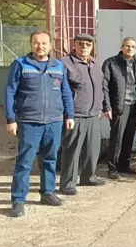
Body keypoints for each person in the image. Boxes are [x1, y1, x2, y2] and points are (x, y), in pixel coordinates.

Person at [4, 30, 75, 217]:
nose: (40, 46)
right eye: (36, 43)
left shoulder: (58, 66)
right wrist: (11, 119)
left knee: (50, 159)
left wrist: (70, 115)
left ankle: (47, 192)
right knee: (24, 162)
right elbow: (10, 92)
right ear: (31, 44)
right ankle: (18, 200)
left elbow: (65, 92)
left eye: (44, 43)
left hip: (54, 121)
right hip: (29, 122)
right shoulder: (20, 65)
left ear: (50, 45)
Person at [59, 33, 106, 195]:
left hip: (93, 114)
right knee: (72, 149)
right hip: (75, 115)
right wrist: (66, 114)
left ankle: (89, 177)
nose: (84, 47)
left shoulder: (94, 64)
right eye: (81, 44)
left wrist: (102, 107)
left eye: (88, 44)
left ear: (92, 47)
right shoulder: (64, 64)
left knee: (92, 149)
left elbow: (101, 88)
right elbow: (60, 91)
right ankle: (67, 183)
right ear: (74, 45)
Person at [102, 37, 136, 179]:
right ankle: (112, 168)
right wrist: (106, 106)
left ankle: (124, 166)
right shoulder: (111, 63)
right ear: (122, 47)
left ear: (135, 49)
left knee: (128, 137)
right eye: (127, 46)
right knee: (117, 138)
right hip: (119, 106)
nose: (129, 49)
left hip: (134, 105)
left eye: (132, 46)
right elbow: (104, 87)